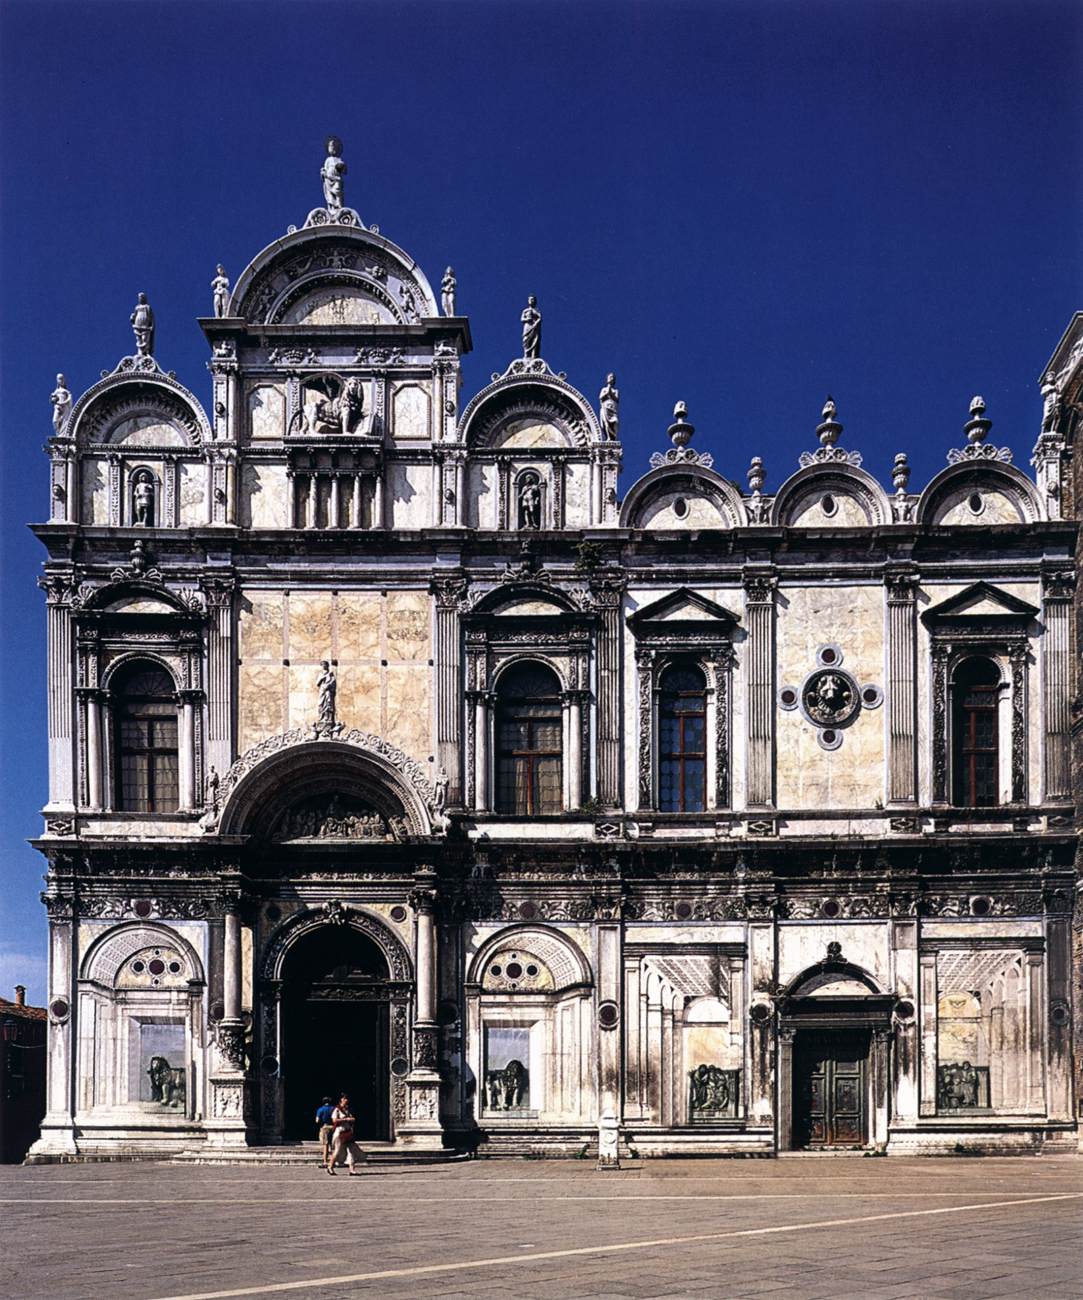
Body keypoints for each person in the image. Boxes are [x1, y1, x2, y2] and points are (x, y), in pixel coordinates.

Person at [326, 1093, 363, 1175]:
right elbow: (334, 1120)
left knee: (351, 1151)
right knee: (337, 1150)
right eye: (345, 1098)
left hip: (348, 1132)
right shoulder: (337, 1109)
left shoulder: (347, 1110)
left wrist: (351, 1119)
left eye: (347, 1099)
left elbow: (352, 1118)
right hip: (340, 1132)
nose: (346, 1100)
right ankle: (330, 1167)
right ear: (341, 1100)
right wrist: (346, 1119)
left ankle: (352, 1170)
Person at [314, 1095, 335, 1168]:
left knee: (325, 1145)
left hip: (325, 1126)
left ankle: (325, 1162)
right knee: (333, 1145)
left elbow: (317, 1120)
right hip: (333, 1127)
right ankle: (333, 1161)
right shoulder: (334, 1109)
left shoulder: (320, 1109)